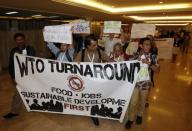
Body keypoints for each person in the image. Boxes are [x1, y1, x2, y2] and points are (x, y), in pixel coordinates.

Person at [74, 35, 112, 126]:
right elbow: (74, 65)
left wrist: (121, 64)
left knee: (95, 97)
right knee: (90, 97)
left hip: (97, 80)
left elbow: (109, 60)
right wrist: (76, 64)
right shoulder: (82, 53)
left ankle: (94, 111)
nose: (96, 47)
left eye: (96, 44)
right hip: (85, 81)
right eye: (93, 45)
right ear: (87, 46)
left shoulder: (99, 52)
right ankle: (93, 114)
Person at [125, 37, 160, 129]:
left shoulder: (153, 56)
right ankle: (130, 119)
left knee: (143, 101)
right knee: (133, 102)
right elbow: (126, 65)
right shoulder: (135, 55)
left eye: (149, 44)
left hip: (146, 84)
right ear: (141, 45)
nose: (148, 46)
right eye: (146, 44)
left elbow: (158, 70)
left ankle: (140, 115)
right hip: (135, 83)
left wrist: (149, 63)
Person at [3, 33, 36, 119]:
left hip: (30, 76)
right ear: (15, 41)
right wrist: (13, 77)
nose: (20, 41)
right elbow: (11, 65)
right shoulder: (13, 51)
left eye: (21, 39)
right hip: (19, 77)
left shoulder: (30, 49)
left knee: (33, 92)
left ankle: (36, 105)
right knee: (18, 94)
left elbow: (34, 61)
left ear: (24, 40)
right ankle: (15, 111)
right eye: (18, 40)